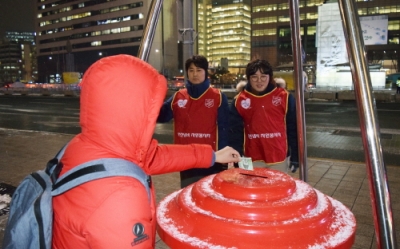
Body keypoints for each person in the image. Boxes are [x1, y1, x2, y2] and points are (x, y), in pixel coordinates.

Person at [52, 55, 240, 249]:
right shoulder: (122, 193)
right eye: (148, 104)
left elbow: (154, 156)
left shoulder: (85, 145)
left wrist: (214, 156)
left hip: (205, 159)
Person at [157, 55, 230, 188]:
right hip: (185, 157)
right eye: (191, 70)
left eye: (199, 70)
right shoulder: (178, 96)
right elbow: (161, 116)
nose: (195, 74)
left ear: (205, 72)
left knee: (208, 194)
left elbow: (225, 128)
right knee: (187, 194)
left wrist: (224, 155)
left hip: (211, 158)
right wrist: (152, 98)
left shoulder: (218, 96)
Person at [229, 59, 299, 173]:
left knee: (277, 189)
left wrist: (296, 157)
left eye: (263, 76)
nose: (259, 81)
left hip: (278, 157)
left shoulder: (284, 97)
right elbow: (234, 133)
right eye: (254, 77)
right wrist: (237, 159)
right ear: (249, 79)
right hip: (248, 158)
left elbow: (293, 128)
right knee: (249, 188)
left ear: (270, 77)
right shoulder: (239, 100)